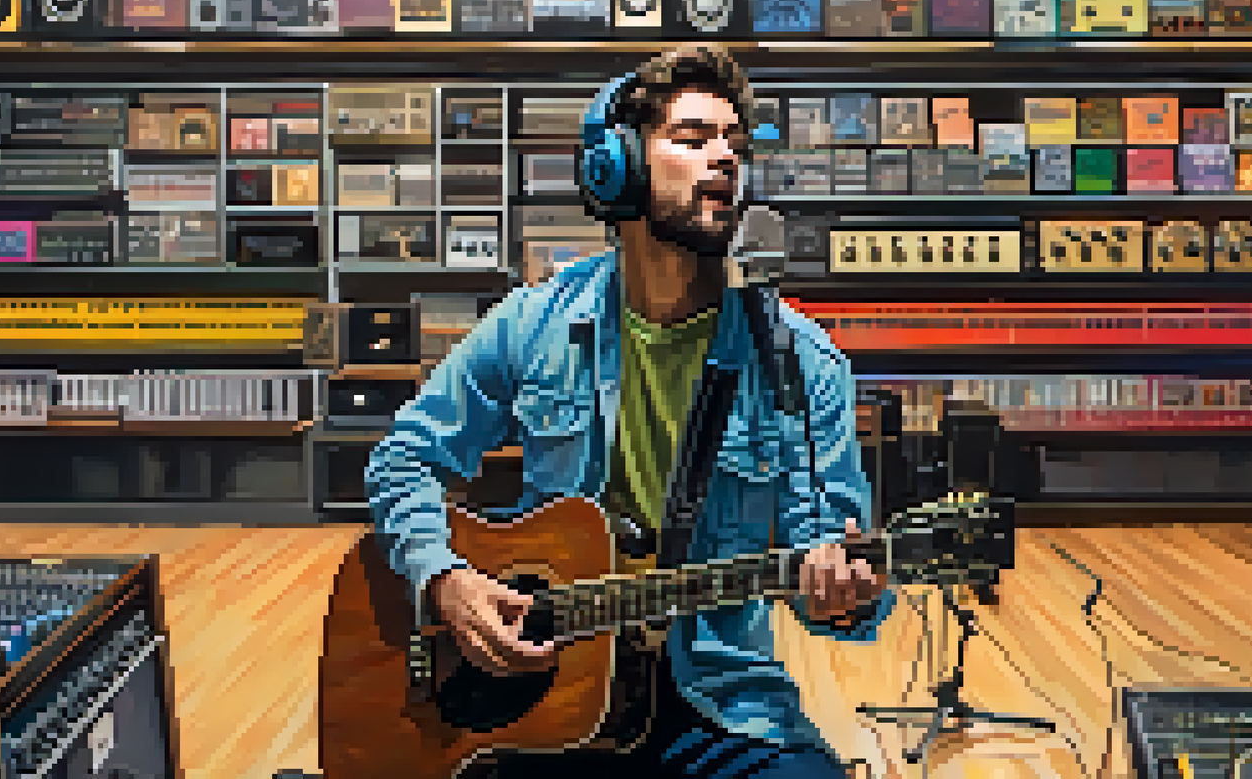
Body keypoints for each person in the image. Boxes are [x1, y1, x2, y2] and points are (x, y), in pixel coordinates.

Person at [365, 45, 894, 779]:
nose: (726, 158)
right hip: (536, 698)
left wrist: (843, 594)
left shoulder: (800, 361)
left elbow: (824, 562)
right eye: (693, 138)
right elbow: (403, 459)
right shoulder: (534, 323)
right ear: (616, 168)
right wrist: (443, 578)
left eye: (735, 142)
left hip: (716, 707)